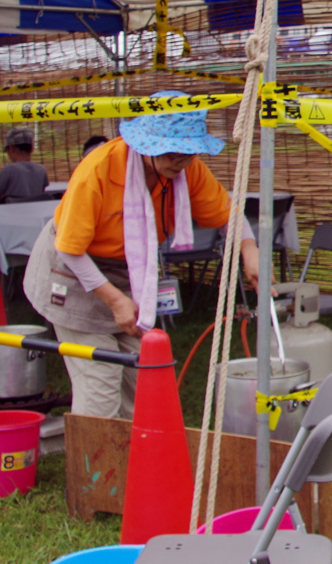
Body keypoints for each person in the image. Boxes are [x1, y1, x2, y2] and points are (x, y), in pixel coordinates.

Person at [25, 92, 262, 419]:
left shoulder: (185, 170)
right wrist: (115, 300)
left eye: (189, 154)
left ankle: (139, 464)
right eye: (172, 153)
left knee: (146, 377)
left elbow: (228, 216)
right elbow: (69, 249)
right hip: (72, 270)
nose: (181, 162)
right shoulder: (97, 171)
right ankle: (95, 467)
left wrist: (249, 249)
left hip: (128, 271)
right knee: (100, 383)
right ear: (145, 145)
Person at [0, 127, 49, 201]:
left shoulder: (9, 170)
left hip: (11, 211)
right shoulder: (41, 169)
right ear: (32, 149)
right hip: (36, 210)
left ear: (11, 148)